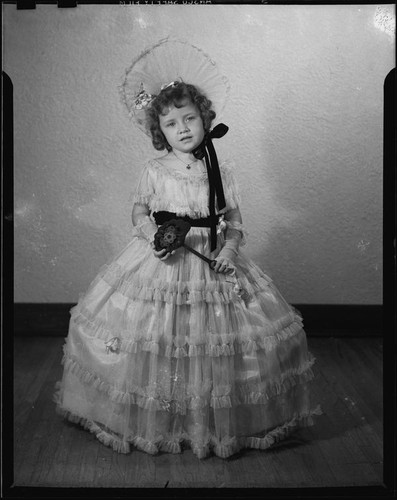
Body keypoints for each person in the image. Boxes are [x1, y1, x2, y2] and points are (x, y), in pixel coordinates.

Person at [54, 46, 321, 460]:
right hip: (166, 256)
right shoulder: (155, 170)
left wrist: (229, 251)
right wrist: (155, 239)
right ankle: (163, 418)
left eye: (190, 118)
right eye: (171, 122)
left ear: (204, 119)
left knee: (218, 342)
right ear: (160, 129)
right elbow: (139, 212)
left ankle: (213, 422)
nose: (182, 128)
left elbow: (233, 220)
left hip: (213, 259)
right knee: (157, 338)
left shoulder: (222, 170)